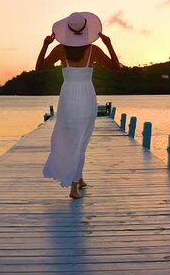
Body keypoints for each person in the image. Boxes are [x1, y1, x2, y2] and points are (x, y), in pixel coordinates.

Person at [35, 12, 120, 199]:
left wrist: (44, 45)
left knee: (70, 137)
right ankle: (74, 188)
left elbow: (39, 67)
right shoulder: (94, 50)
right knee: (81, 140)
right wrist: (108, 44)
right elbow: (116, 67)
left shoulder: (60, 50)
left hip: (67, 98)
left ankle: (79, 179)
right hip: (86, 97)